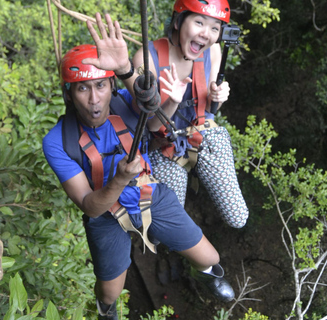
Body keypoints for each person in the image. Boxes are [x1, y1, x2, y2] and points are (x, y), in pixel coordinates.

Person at [42, 44, 235, 320]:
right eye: (82, 88)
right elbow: (90, 206)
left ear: (112, 84)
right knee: (109, 293)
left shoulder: (125, 102)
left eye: (100, 85)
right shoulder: (58, 141)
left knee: (211, 260)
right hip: (105, 215)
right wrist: (120, 178)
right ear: (69, 95)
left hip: (148, 193)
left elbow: (154, 112)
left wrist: (127, 71)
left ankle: (204, 275)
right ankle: (106, 310)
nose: (94, 99)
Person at [82, 0, 249, 229]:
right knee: (170, 227)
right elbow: (150, 123)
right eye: (199, 22)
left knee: (238, 217)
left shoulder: (214, 51)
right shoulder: (146, 58)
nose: (206, 34)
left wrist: (217, 98)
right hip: (163, 145)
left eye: (214, 27)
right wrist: (172, 101)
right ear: (179, 21)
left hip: (203, 136)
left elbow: (209, 110)